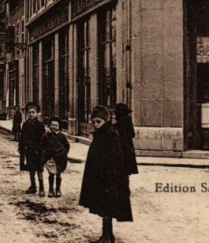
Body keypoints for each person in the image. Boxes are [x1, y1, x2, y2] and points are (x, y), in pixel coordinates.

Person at [79, 105, 133, 243]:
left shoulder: (110, 136)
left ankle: (107, 236)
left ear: (105, 121)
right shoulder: (101, 135)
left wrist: (111, 179)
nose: (96, 125)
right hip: (100, 178)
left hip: (108, 179)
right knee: (103, 208)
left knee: (107, 207)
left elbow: (116, 160)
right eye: (94, 122)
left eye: (98, 122)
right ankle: (106, 235)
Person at [18, 102, 46, 196]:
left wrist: (41, 150)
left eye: (33, 112)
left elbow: (43, 139)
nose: (31, 114)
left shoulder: (40, 125)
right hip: (28, 150)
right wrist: (21, 148)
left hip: (37, 151)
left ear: (37, 113)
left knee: (39, 169)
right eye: (29, 112)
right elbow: (22, 137)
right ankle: (33, 186)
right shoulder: (25, 124)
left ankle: (41, 188)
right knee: (31, 169)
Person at [41, 116, 70, 198]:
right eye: (52, 125)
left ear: (59, 127)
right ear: (50, 125)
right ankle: (50, 190)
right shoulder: (46, 135)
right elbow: (42, 145)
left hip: (59, 158)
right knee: (51, 174)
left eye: (56, 125)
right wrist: (45, 153)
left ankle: (58, 189)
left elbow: (67, 145)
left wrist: (63, 153)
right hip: (50, 158)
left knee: (58, 174)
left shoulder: (62, 136)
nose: (54, 127)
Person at [114, 103, 139, 181]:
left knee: (122, 171)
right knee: (125, 172)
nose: (115, 115)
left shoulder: (120, 125)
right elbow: (132, 134)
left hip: (123, 151)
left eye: (116, 113)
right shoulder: (128, 122)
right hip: (128, 150)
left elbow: (122, 140)